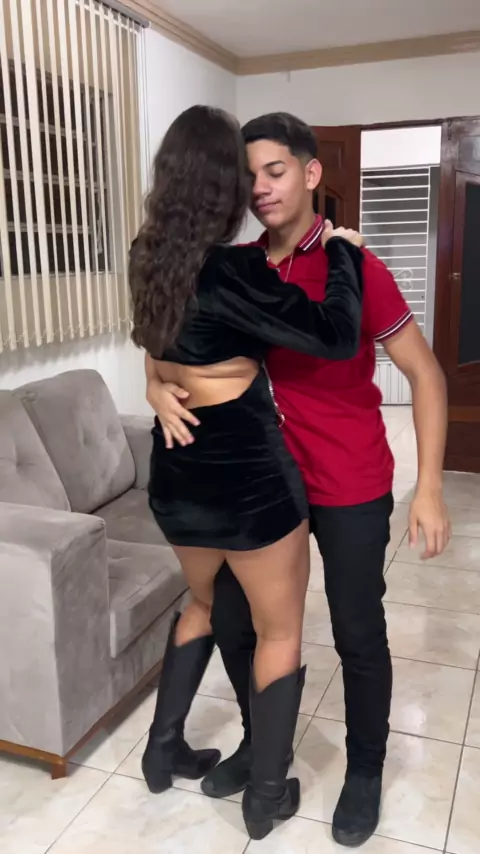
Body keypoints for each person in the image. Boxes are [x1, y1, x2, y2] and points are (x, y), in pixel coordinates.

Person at [146, 112, 451, 848]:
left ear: (312, 173)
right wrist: (155, 386)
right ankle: (264, 751)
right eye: (248, 174)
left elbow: (427, 375)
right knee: (236, 624)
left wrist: (430, 486)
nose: (260, 188)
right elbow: (169, 336)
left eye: (275, 171)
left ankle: (366, 769)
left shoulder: (356, 265)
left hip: (347, 479)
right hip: (261, 486)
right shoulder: (236, 264)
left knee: (356, 630)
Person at [129, 104, 365, 841]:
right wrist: (344, 254)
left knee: (201, 605)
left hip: (176, 474)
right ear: (224, 187)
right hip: (247, 480)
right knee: (279, 630)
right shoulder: (233, 270)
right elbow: (336, 335)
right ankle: (265, 798)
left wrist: (154, 385)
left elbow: (153, 343)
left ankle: (162, 752)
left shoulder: (146, 256)